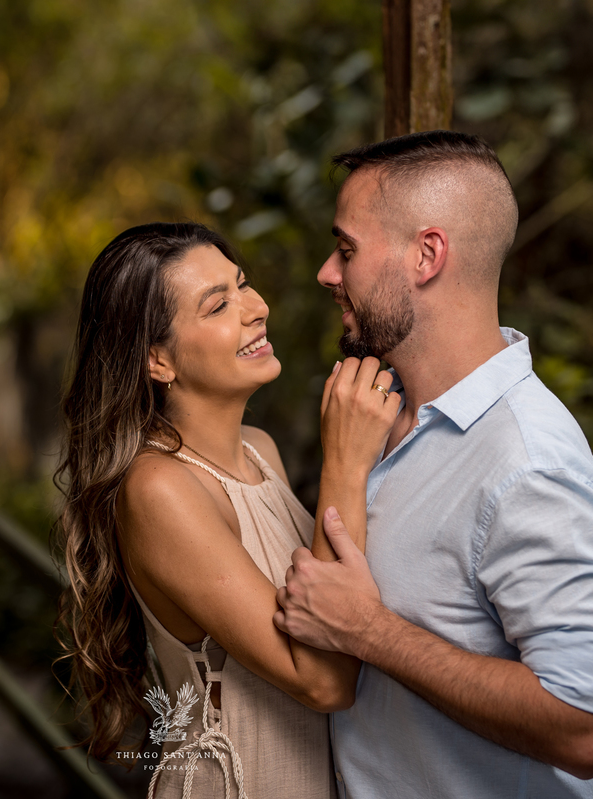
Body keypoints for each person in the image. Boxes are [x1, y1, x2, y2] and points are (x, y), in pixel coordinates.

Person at [273, 131, 593, 798]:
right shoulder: (373, 416)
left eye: (347, 249)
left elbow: (586, 728)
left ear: (427, 255)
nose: (327, 272)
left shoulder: (530, 463)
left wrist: (369, 632)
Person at [54, 222, 399, 797]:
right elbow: (323, 681)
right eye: (218, 305)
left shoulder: (259, 450)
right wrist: (344, 461)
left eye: (243, 285)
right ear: (157, 360)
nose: (257, 308)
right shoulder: (159, 488)